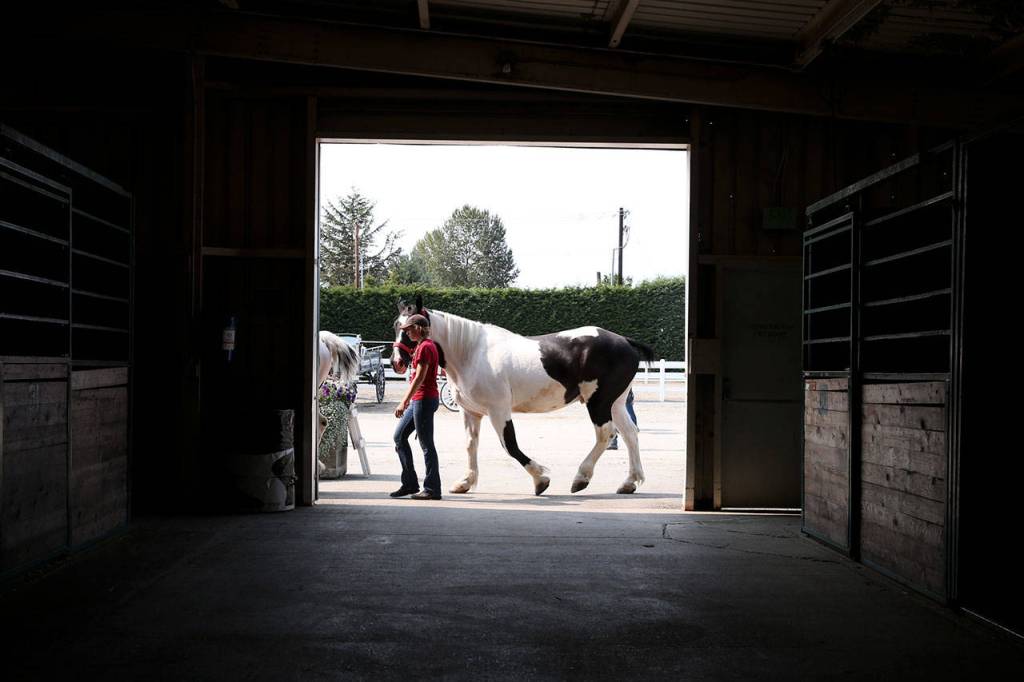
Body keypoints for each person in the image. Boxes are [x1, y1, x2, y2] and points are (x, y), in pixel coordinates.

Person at [391, 314, 442, 500]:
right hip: (421, 400)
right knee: (399, 437)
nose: (406, 333)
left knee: (427, 445)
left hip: (423, 400)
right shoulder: (425, 346)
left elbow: (420, 378)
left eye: (408, 329)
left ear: (419, 328)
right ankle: (410, 483)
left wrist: (403, 401)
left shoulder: (425, 347)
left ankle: (432, 489)